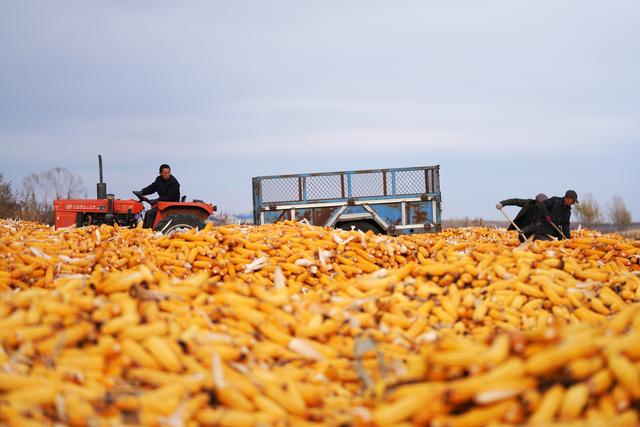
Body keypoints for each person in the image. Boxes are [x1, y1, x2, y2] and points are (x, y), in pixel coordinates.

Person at [133, 164, 180, 228]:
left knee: (151, 214)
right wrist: (142, 192)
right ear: (160, 173)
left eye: (168, 172)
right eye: (164, 173)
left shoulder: (174, 183)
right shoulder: (159, 179)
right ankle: (144, 231)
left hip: (171, 205)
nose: (167, 174)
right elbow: (152, 188)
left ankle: (149, 231)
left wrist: (156, 200)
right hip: (163, 204)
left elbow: (169, 197)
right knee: (147, 212)